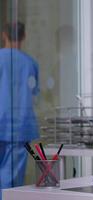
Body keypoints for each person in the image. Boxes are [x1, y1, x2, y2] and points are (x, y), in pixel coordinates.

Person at [0, 21, 39, 195]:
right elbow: (32, 96)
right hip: (20, 128)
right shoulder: (30, 63)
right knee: (12, 182)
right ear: (23, 37)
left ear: (3, 35)